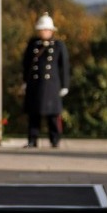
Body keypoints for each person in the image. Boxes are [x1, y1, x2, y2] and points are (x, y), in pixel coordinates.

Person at [22, 13, 70, 149]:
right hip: (35, 85)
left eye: (46, 29)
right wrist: (25, 81)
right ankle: (32, 139)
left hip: (51, 86)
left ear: (51, 31)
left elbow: (64, 67)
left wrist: (65, 85)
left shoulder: (58, 46)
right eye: (42, 29)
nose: (44, 32)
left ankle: (54, 139)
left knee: (53, 116)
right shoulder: (33, 45)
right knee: (34, 115)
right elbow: (26, 64)